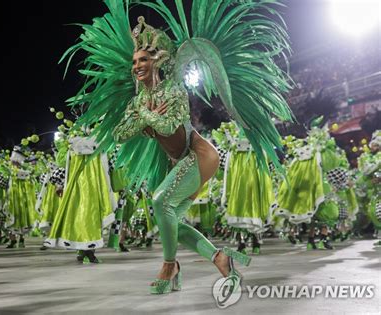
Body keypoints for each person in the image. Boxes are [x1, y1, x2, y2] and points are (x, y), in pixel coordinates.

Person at [61, 0, 292, 295]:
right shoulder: (139, 100)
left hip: (201, 155)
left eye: (142, 60)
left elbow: (168, 127)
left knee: (160, 202)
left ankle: (169, 266)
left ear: (157, 61)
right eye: (134, 62)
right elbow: (120, 134)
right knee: (169, 220)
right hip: (182, 162)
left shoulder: (173, 90)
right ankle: (219, 258)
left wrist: (141, 114)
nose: (136, 67)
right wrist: (140, 114)